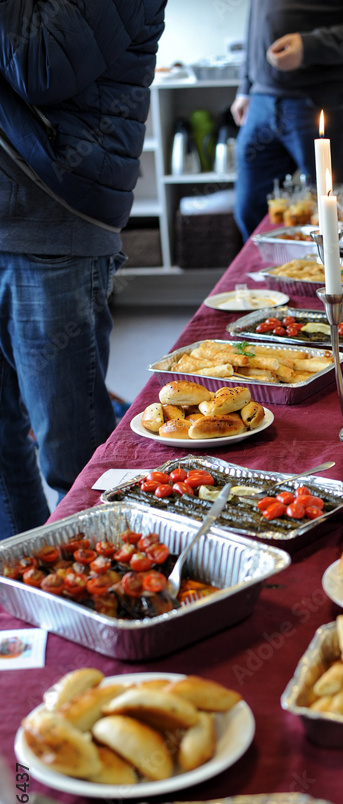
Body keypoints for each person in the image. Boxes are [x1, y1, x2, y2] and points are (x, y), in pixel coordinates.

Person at [0, 1, 167, 540]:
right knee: (3, 456)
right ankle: (29, 600)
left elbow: (41, 63)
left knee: (72, 463)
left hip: (51, 218)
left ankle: (103, 601)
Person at [231, 0, 343, 243]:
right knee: (250, 211)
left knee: (329, 219)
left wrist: (310, 47)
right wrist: (246, 88)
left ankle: (320, 280)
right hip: (261, 100)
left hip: (323, 101)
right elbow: (259, 15)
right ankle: (273, 280)